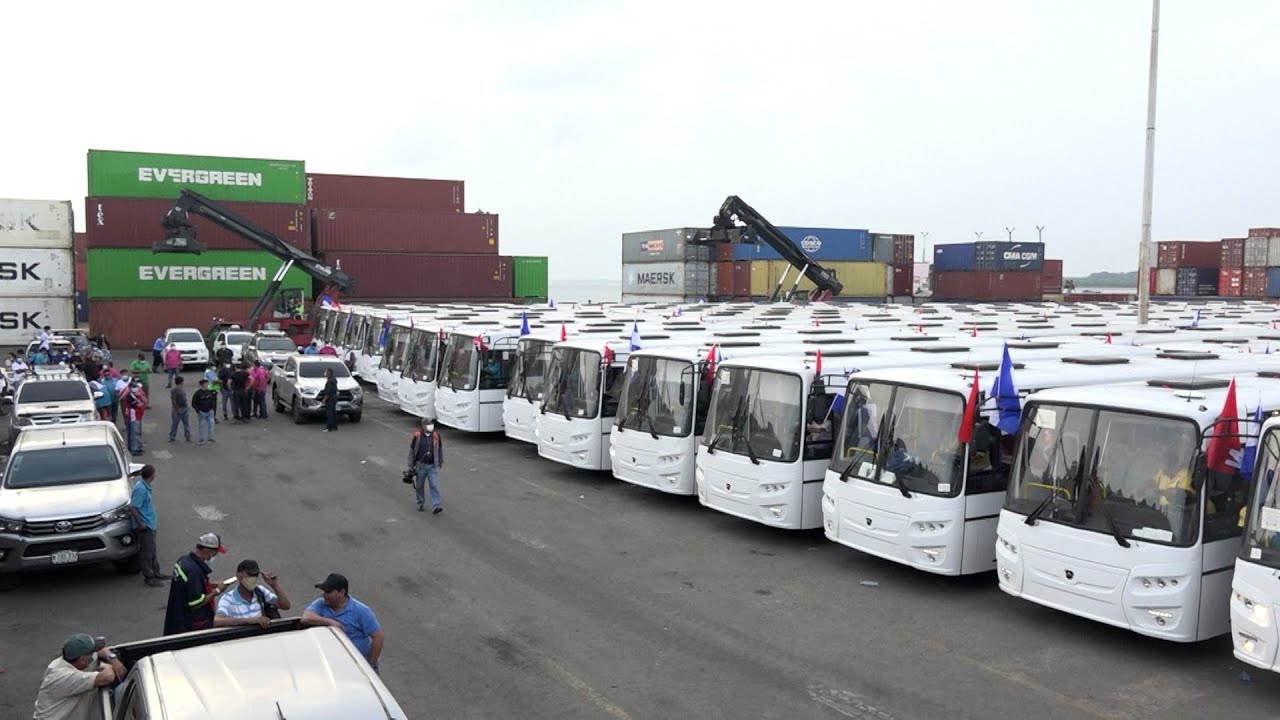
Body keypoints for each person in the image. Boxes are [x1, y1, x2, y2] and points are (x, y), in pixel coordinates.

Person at [32, 633, 125, 720]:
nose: (94, 655)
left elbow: (102, 650)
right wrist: (107, 666)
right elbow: (108, 677)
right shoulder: (63, 677)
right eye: (91, 653)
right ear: (82, 660)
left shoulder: (74, 659)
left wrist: (112, 658)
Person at [302, 573, 383, 671]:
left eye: (328, 591)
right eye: (324, 591)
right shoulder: (321, 603)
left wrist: (370, 666)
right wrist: (330, 622)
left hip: (358, 666)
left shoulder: (360, 611)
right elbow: (306, 617)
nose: (324, 594)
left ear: (341, 592)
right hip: (333, 665)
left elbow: (378, 636)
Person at [164, 532, 230, 636]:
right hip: (189, 624)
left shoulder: (183, 560)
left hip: (175, 614)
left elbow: (188, 585)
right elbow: (196, 603)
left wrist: (211, 584)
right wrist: (217, 591)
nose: (214, 557)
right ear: (206, 551)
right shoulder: (193, 571)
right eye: (214, 554)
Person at [214, 559, 292, 628]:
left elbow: (285, 606)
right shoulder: (228, 599)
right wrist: (250, 621)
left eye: (255, 575)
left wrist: (275, 586)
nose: (253, 578)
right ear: (239, 575)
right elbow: (217, 621)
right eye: (250, 575)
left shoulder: (260, 591)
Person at [128, 465, 165, 587]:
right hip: (145, 526)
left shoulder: (145, 487)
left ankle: (156, 572)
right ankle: (149, 577)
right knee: (146, 553)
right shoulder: (141, 489)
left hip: (150, 524)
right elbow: (133, 507)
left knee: (152, 550)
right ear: (152, 475)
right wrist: (140, 523)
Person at [408, 417, 445, 513]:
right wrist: (410, 465)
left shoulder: (436, 435)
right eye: (428, 424)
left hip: (432, 466)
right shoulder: (418, 436)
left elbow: (440, 448)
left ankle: (436, 505)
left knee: (434, 485)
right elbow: (412, 451)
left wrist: (440, 460)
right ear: (423, 426)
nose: (430, 426)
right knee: (419, 486)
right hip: (420, 466)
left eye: (431, 424)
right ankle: (420, 503)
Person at [123, 380, 147, 456]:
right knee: (134, 432)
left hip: (136, 415)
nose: (135, 389)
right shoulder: (129, 396)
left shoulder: (134, 395)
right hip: (133, 416)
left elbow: (143, 403)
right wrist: (142, 402)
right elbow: (138, 405)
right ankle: (134, 448)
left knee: (133, 432)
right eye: (133, 387)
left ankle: (132, 447)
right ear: (130, 388)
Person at [192, 378, 218, 444]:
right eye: (206, 384)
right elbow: (193, 404)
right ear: (202, 384)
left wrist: (212, 409)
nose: (207, 385)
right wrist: (198, 411)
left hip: (210, 411)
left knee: (211, 425)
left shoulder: (209, 392)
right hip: (202, 412)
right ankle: (201, 439)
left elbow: (212, 400)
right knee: (201, 426)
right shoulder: (197, 394)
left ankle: (210, 438)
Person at [168, 375, 191, 443]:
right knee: (176, 423)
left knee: (185, 423)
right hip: (178, 408)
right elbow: (173, 400)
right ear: (181, 382)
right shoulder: (175, 390)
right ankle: (173, 437)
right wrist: (177, 408)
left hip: (184, 407)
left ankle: (187, 436)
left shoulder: (181, 389)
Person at [317, 367, 339, 432]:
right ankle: (334, 426)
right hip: (334, 397)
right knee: (333, 412)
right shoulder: (334, 379)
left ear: (329, 373)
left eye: (326, 372)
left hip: (330, 398)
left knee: (329, 413)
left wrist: (323, 400)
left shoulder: (329, 381)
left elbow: (327, 392)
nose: (325, 373)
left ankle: (329, 427)